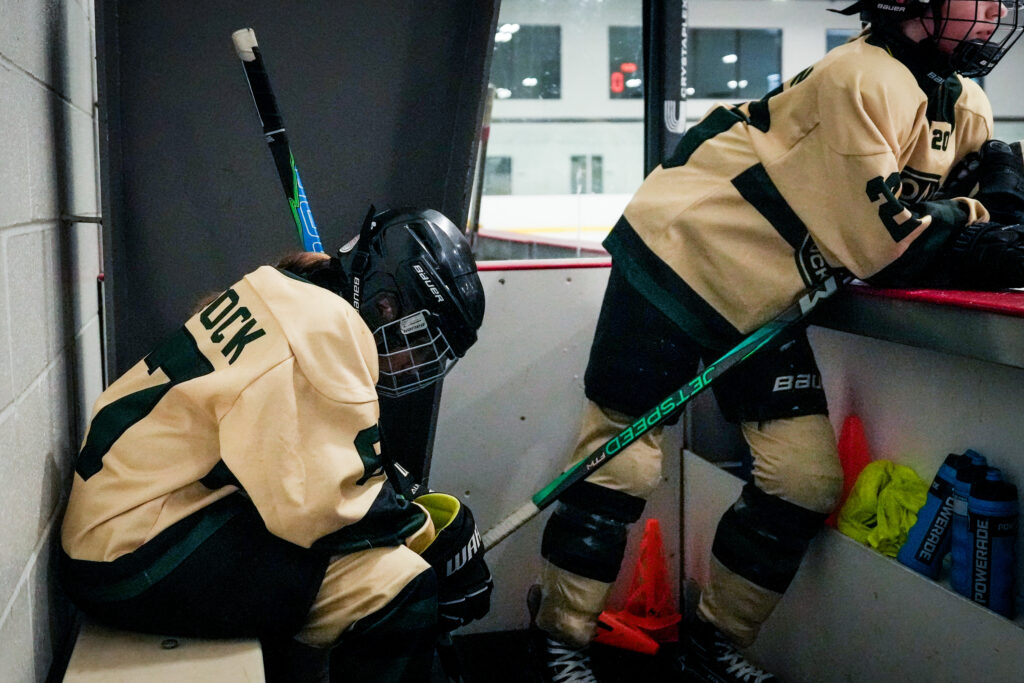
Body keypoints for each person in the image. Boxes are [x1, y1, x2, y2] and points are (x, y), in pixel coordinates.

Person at [531, 2, 1024, 681]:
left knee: (803, 479)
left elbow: (956, 221)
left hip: (764, 293)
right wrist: (975, 215)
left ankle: (711, 641)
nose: (998, 8)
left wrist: (989, 208)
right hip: (679, 254)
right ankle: (560, 636)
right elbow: (890, 246)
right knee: (620, 462)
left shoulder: (966, 103)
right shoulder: (860, 78)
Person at [60, 207, 492, 683]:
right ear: (387, 305)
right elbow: (323, 512)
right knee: (400, 587)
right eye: (423, 338)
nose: (417, 361)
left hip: (126, 525)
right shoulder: (327, 332)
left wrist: (408, 518)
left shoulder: (284, 290)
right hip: (133, 556)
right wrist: (432, 534)